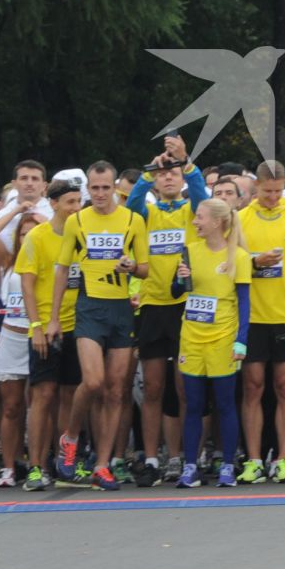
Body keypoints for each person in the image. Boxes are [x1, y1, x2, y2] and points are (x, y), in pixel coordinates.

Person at [47, 161, 149, 491]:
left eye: (106, 188)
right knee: (93, 382)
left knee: (116, 391)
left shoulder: (133, 220)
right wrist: (51, 318)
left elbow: (145, 268)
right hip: (89, 307)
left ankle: (103, 465)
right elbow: (62, 269)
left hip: (121, 309)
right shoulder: (77, 221)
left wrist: (131, 266)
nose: (101, 194)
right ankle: (71, 439)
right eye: (95, 188)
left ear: (116, 187)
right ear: (87, 189)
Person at [125, 136, 208, 485]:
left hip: (186, 306)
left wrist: (185, 161)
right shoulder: (149, 212)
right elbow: (129, 207)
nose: (168, 177)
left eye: (173, 173)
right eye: (163, 174)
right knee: (154, 389)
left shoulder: (192, 211)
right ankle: (154, 458)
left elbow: (205, 198)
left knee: (186, 388)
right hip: (153, 307)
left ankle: (187, 455)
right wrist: (147, 172)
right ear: (156, 181)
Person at [237, 160, 285, 483]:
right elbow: (231, 262)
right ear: (256, 186)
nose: (272, 196)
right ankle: (254, 459)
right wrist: (255, 262)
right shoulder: (240, 220)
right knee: (253, 388)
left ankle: (283, 459)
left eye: (277, 191)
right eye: (266, 191)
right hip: (251, 318)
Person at [176, 199, 252, 488]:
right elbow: (176, 291)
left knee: (224, 404)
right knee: (194, 404)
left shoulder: (239, 257)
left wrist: (241, 341)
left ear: (217, 222)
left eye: (200, 217)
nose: (195, 222)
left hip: (223, 338)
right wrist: (180, 278)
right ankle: (190, 466)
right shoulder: (190, 252)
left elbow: (244, 303)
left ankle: (228, 465)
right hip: (192, 337)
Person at [18, 179, 83, 490]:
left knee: (70, 396)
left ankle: (64, 462)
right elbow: (27, 285)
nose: (75, 208)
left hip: (78, 326)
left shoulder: (84, 235)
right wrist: (36, 326)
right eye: (69, 202)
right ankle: (35, 466)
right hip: (46, 327)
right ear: (54, 203)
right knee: (43, 396)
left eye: (78, 202)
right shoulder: (36, 237)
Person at [0, 212, 41, 487]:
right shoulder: (9, 262)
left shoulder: (49, 260)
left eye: (35, 232)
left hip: (37, 338)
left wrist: (40, 220)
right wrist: (19, 209)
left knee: (38, 407)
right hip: (11, 338)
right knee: (11, 407)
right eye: (24, 233)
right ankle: (8, 468)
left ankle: (39, 464)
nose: (29, 237)